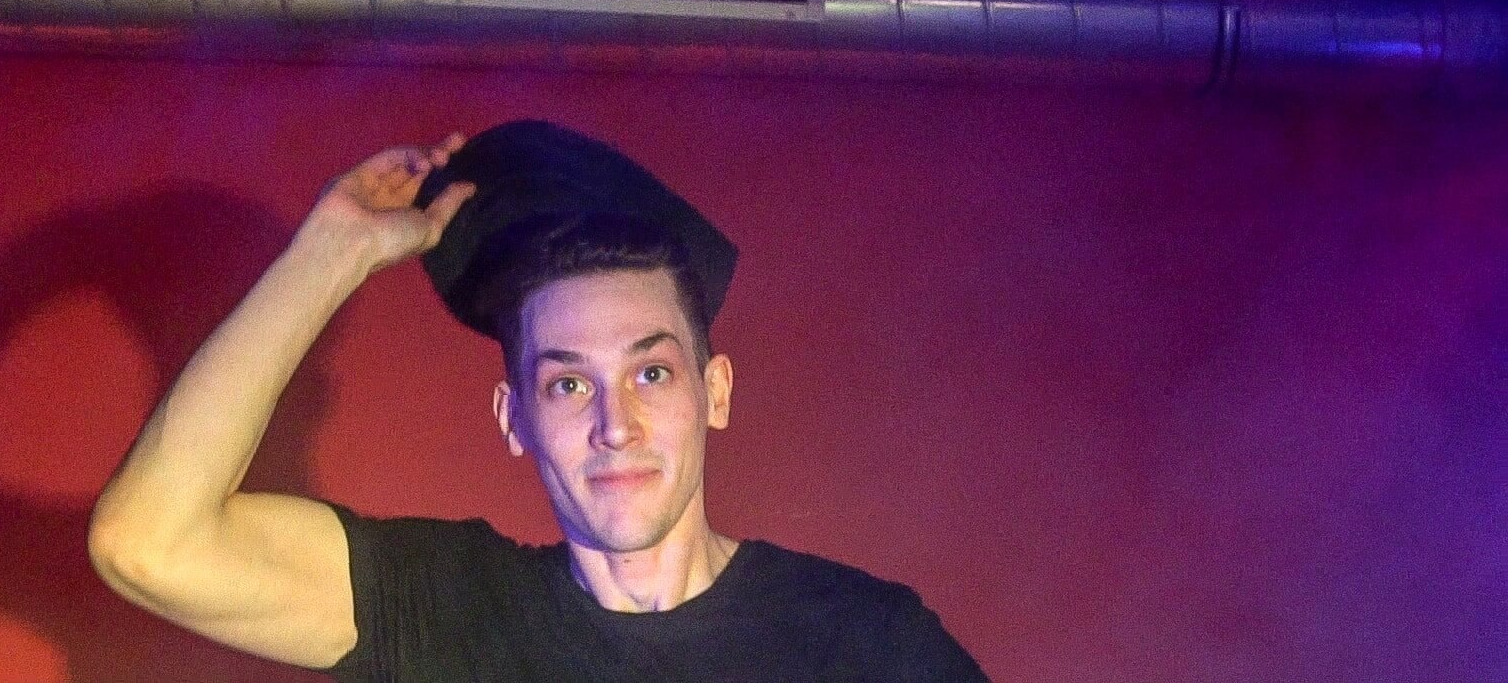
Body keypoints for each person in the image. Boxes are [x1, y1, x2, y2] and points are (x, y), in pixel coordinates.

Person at [89, 121, 988, 681]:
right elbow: (148, 544)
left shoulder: (863, 642)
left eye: (651, 373)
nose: (615, 425)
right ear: (514, 418)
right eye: (568, 384)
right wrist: (331, 252)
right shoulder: (447, 608)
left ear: (714, 391)